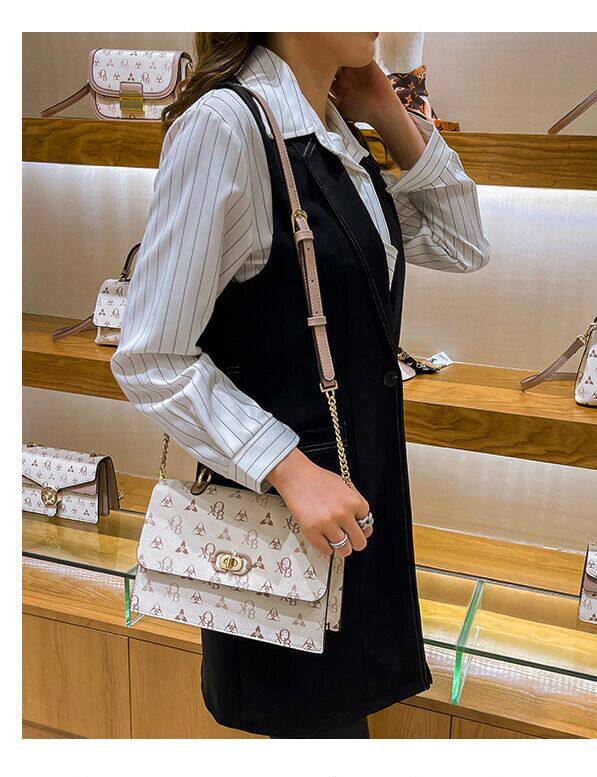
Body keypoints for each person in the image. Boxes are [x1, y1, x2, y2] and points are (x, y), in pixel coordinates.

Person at [111, 31, 490, 739]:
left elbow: (462, 242)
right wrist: (286, 467)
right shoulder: (226, 127)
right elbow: (151, 356)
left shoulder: (333, 133)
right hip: (285, 526)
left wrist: (387, 110)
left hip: (353, 512)